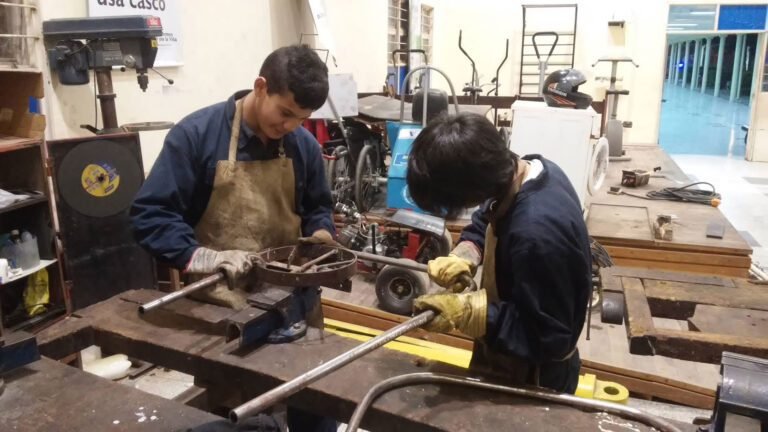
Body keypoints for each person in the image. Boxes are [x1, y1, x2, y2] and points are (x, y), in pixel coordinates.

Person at [130, 45, 337, 432]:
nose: (291, 126)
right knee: (233, 417)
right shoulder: (196, 136)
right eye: (285, 113)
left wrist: (322, 233)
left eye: (302, 119)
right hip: (224, 312)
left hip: (294, 304)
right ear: (261, 87)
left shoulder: (303, 145)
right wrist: (201, 256)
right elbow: (150, 214)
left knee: (317, 405)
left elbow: (317, 208)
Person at [406, 112, 592, 394]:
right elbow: (487, 216)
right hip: (506, 355)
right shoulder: (528, 169)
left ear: (470, 191)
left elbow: (551, 338)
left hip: (535, 377)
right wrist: (465, 254)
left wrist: (470, 312)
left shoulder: (535, 233)